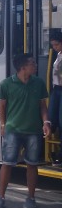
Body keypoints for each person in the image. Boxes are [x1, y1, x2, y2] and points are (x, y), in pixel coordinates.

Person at [0, 53, 50, 208]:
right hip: (13, 130)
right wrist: (3, 124)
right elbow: (2, 106)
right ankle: (0, 198)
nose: (35, 65)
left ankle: (31, 198)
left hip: (34, 130)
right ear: (23, 67)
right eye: (32, 63)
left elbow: (43, 106)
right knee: (7, 164)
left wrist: (46, 122)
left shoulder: (38, 83)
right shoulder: (6, 84)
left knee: (32, 165)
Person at [47, 30, 62, 165]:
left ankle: (60, 155)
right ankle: (50, 149)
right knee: (51, 119)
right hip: (56, 89)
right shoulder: (58, 55)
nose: (54, 48)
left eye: (56, 45)